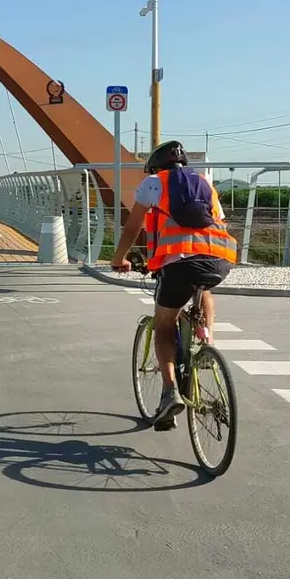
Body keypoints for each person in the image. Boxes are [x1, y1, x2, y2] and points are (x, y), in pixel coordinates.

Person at [111, 140, 237, 430]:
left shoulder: (154, 183)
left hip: (178, 263)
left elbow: (133, 227)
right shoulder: (206, 184)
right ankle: (208, 345)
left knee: (164, 323)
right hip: (219, 259)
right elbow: (219, 221)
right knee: (203, 290)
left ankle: (169, 392)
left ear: (155, 166)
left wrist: (118, 259)